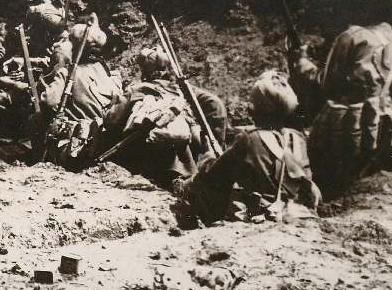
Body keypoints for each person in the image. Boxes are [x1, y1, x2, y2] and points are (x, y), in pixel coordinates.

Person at [290, 0, 392, 196]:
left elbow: (326, 84)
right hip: (388, 140)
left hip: (347, 139)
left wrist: (302, 64)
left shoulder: (353, 37)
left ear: (371, 3)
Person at [174, 70, 321, 225]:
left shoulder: (249, 138)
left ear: (255, 109)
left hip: (264, 217)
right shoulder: (297, 138)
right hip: (298, 213)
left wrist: (207, 154)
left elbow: (212, 176)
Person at [97, 47, 227, 187]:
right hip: (188, 164)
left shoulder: (138, 89)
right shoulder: (184, 90)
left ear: (145, 69)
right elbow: (215, 104)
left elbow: (111, 121)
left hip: (149, 166)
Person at [39, 15, 122, 167]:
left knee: (35, 117)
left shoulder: (68, 73)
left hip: (77, 145)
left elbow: (48, 101)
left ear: (76, 47)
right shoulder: (107, 73)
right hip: (104, 142)